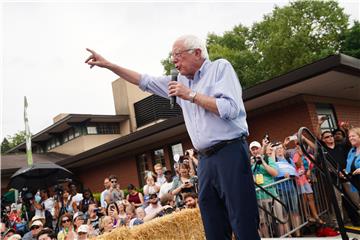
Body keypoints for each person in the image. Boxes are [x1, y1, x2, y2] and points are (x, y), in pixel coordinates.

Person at [85, 34, 260, 239]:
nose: (173, 60)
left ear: (197, 53)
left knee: (242, 220)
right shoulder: (178, 81)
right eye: (172, 56)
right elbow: (144, 80)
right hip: (204, 160)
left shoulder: (220, 69)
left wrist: (191, 95)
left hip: (229, 152)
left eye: (178, 55)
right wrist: (109, 65)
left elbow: (230, 108)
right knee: (212, 223)